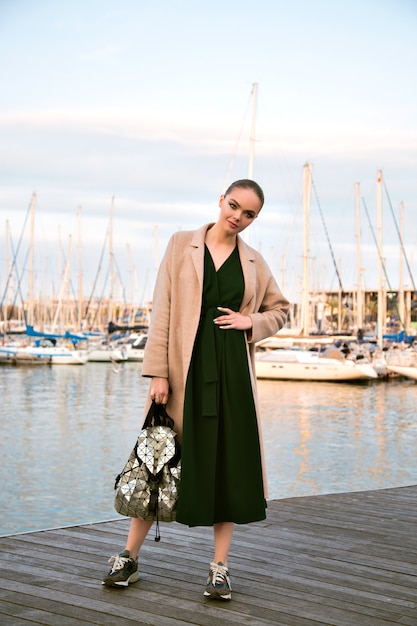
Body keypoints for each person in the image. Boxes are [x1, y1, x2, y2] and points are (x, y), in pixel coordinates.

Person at [102, 179, 289, 600]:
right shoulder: (181, 244)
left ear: (254, 219)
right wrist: (158, 373)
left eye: (248, 214)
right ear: (221, 200)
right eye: (234, 205)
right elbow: (162, 310)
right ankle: (129, 558)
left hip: (233, 378)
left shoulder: (255, 263)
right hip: (185, 372)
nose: (237, 217)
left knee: (230, 466)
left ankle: (219, 568)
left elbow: (280, 310)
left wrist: (251, 324)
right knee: (157, 460)